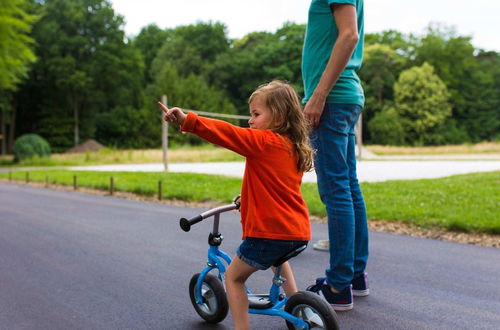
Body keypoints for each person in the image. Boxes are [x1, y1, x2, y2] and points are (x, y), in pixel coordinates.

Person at [158, 80, 314, 330]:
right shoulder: (293, 147)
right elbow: (277, 187)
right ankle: (297, 305)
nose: (250, 120)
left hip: (269, 233)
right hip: (297, 231)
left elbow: (227, 133)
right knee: (278, 258)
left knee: (233, 277)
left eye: (256, 114)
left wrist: (187, 120)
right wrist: (248, 199)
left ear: (279, 116)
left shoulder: (263, 142)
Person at [301, 0, 369, 311]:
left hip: (333, 100)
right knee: (348, 187)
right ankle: (354, 276)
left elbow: (349, 35)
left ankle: (339, 286)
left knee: (336, 190)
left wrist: (319, 94)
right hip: (343, 97)